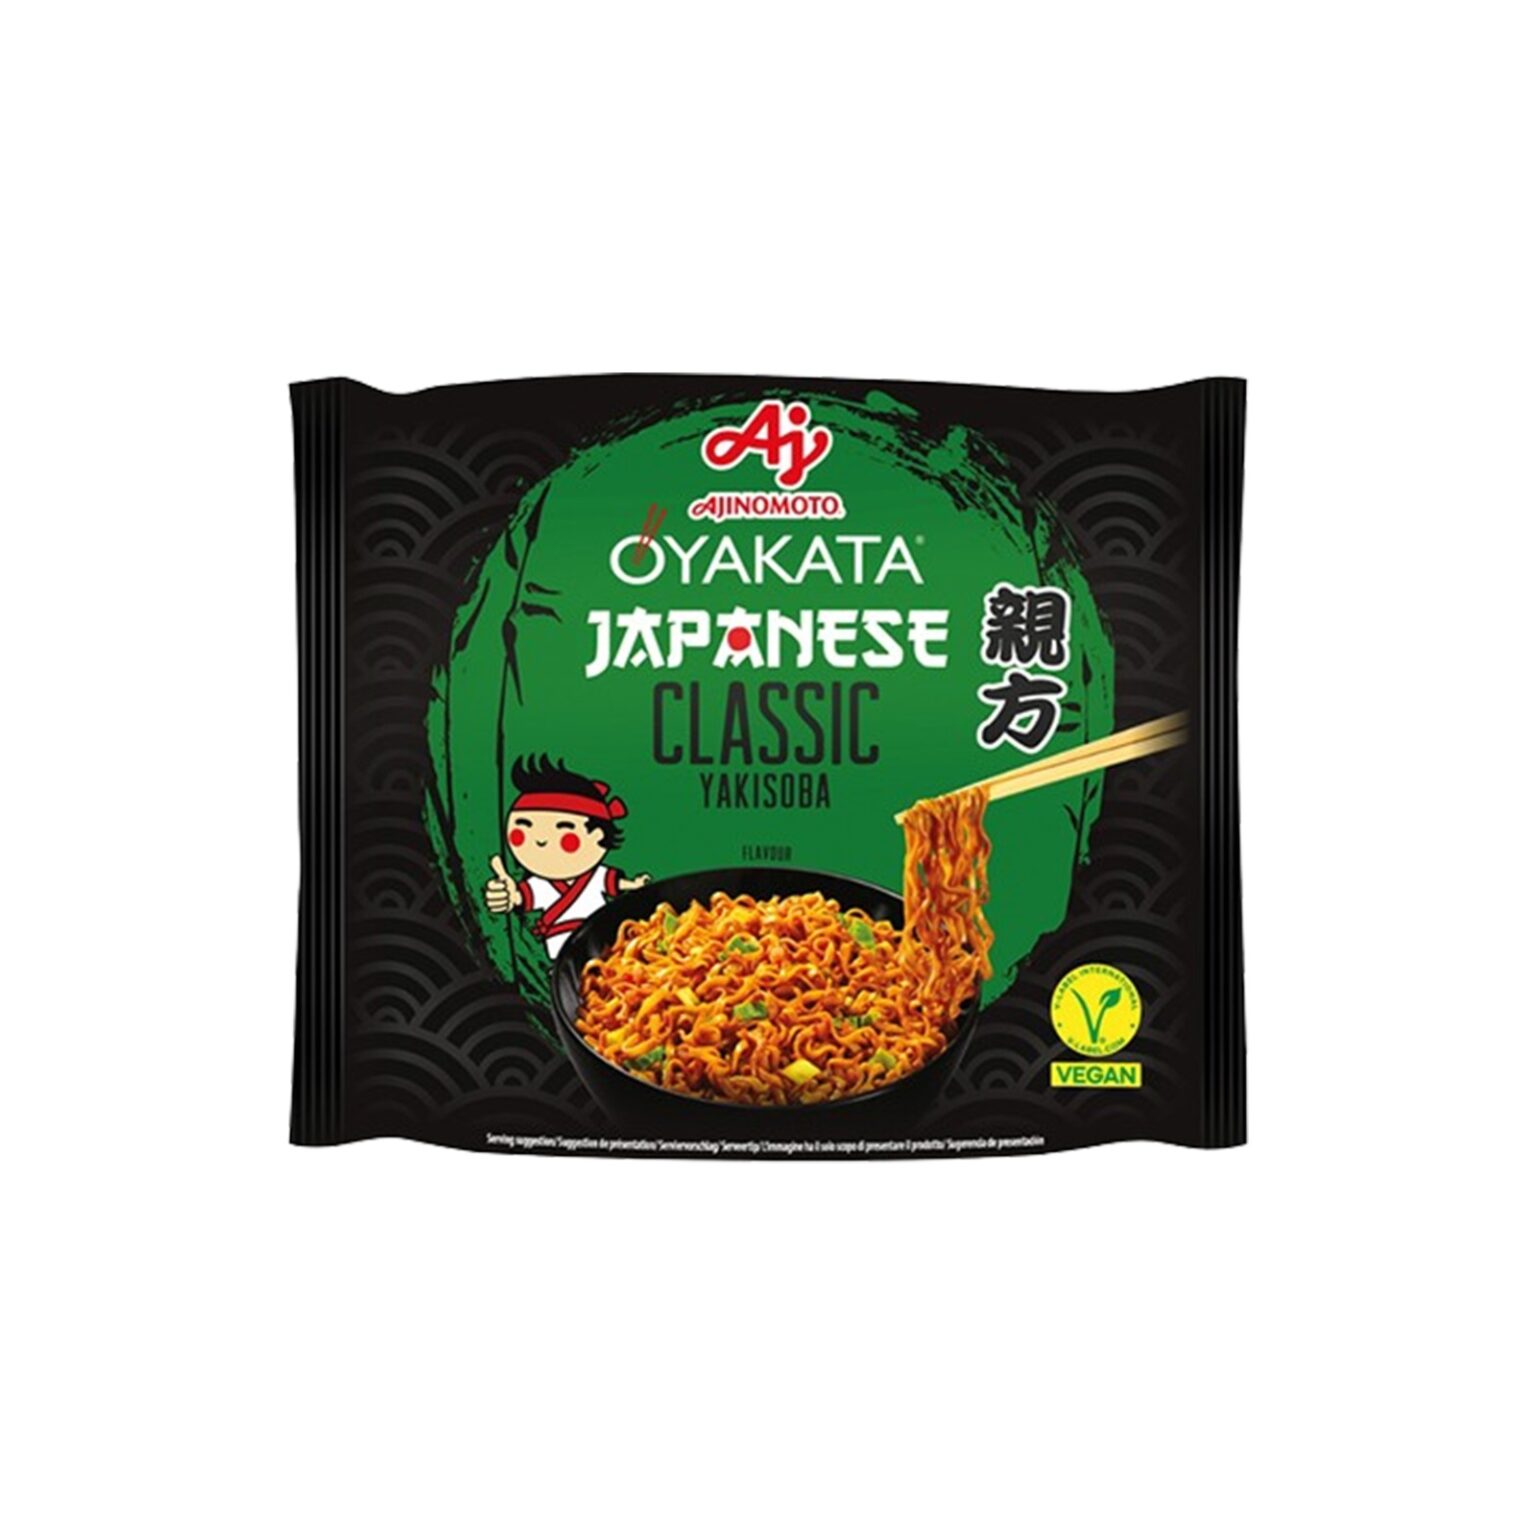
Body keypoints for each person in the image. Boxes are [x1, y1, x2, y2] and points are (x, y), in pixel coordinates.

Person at [484, 755, 650, 959]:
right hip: (560, 947)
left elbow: (614, 883)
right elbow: (520, 897)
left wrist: (635, 885)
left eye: (563, 830)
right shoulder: (541, 885)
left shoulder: (596, 877)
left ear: (597, 835)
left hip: (601, 941)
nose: (541, 840)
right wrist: (507, 896)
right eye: (524, 828)